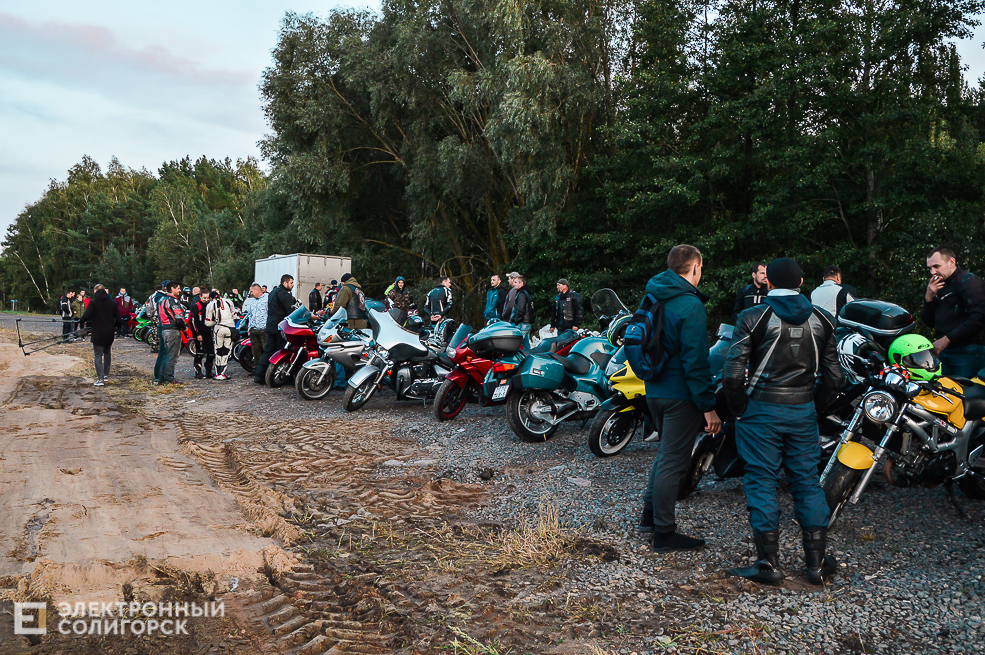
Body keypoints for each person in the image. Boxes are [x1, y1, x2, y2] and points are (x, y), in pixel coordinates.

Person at [723, 257, 844, 585]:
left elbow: (733, 374)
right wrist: (814, 407)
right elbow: (835, 377)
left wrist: (739, 408)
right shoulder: (823, 318)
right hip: (802, 410)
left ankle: (768, 564)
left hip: (760, 411)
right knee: (806, 481)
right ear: (803, 283)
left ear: (769, 284)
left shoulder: (752, 316)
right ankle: (816, 566)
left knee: (761, 480)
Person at [636, 245, 720, 552]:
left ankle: (649, 518)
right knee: (673, 461)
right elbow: (696, 363)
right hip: (679, 395)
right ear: (695, 267)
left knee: (664, 457)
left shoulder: (654, 296)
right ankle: (665, 533)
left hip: (655, 390)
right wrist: (708, 407)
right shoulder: (690, 305)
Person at [921, 246, 985, 378]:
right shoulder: (939, 286)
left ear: (951, 262)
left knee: (968, 394)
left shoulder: (968, 282)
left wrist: (947, 339)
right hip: (944, 353)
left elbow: (979, 317)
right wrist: (929, 299)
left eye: (937, 266)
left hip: (968, 352)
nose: (933, 272)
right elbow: (928, 322)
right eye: (930, 268)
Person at [254, 274, 299, 384]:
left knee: (268, 351)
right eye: (291, 283)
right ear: (285, 283)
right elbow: (291, 312)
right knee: (283, 352)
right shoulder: (284, 294)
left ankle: (259, 376)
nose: (293, 285)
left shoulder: (273, 292)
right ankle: (284, 377)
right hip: (280, 327)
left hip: (271, 325)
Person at [79, 285, 121, 386]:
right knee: (107, 353)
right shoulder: (113, 303)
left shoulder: (93, 303)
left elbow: (87, 315)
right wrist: (115, 328)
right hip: (109, 333)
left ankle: (100, 379)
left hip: (98, 333)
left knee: (98, 355)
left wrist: (81, 321)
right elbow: (119, 319)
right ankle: (106, 375)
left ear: (95, 291)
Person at [156, 281, 187, 385]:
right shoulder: (173, 300)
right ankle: (169, 379)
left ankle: (161, 377)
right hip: (172, 329)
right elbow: (178, 318)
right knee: (172, 355)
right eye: (178, 288)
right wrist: (185, 328)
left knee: (165, 354)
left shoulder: (161, 300)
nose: (179, 290)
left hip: (164, 328)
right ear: (172, 289)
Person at [206, 290, 237, 380]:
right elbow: (234, 316)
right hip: (230, 329)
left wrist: (215, 322)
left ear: (211, 298)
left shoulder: (211, 305)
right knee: (226, 350)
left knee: (218, 350)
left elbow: (207, 323)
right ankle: (223, 373)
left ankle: (218, 373)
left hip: (219, 329)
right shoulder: (228, 301)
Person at [190, 290, 215, 379]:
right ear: (200, 297)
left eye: (208, 298)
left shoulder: (210, 305)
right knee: (200, 352)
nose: (206, 300)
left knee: (211, 352)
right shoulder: (196, 306)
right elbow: (193, 321)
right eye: (204, 298)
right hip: (199, 332)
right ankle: (198, 371)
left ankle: (209, 370)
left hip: (208, 332)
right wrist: (197, 334)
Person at [505, 274, 534, 347]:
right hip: (526, 322)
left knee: (516, 344)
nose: (513, 284)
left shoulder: (521, 294)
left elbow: (521, 309)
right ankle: (529, 357)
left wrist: (517, 320)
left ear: (521, 283)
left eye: (516, 282)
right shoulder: (527, 293)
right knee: (526, 344)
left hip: (522, 323)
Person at [245, 284, 268, 371]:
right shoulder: (253, 301)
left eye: (251, 291)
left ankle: (266, 370)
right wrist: (249, 328)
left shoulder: (267, 299)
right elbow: (250, 315)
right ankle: (258, 370)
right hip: (253, 329)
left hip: (263, 329)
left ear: (257, 290)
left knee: (266, 350)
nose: (251, 293)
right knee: (255, 351)